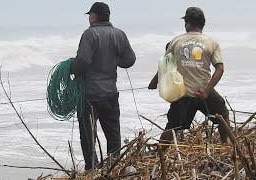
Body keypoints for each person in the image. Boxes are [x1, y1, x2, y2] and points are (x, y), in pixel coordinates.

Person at [148, 7, 230, 149]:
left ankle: (160, 155)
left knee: (172, 126)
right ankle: (226, 146)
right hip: (203, 92)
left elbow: (165, 65)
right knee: (223, 116)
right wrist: (207, 90)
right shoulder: (212, 43)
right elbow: (220, 69)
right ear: (203, 24)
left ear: (187, 22)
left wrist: (154, 82)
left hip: (183, 94)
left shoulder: (176, 41)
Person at [70, 2, 136, 170]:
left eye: (90, 15)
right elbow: (130, 60)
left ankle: (92, 169)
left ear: (94, 16)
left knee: (88, 136)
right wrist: (114, 60)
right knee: (113, 134)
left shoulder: (90, 34)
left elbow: (83, 60)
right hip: (111, 94)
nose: (89, 18)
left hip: (90, 96)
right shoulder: (119, 34)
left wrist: (71, 69)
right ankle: (114, 167)